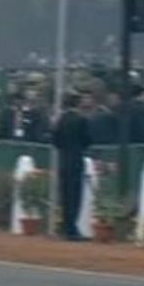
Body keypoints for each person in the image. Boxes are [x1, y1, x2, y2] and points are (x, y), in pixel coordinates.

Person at [51, 91, 92, 240]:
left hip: (63, 160)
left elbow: (55, 140)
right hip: (76, 159)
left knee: (65, 194)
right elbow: (87, 140)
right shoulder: (81, 120)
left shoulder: (60, 120)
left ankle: (66, 226)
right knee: (75, 196)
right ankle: (72, 228)